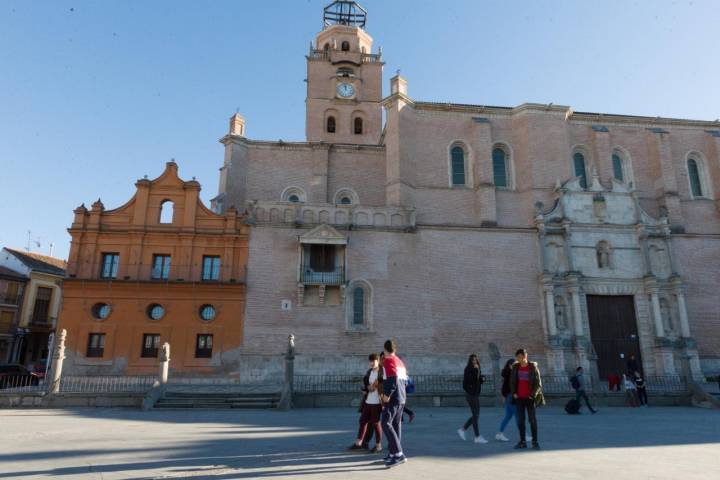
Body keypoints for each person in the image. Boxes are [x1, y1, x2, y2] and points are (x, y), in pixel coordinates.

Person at [381, 339, 409, 468]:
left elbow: (392, 380)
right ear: (395, 349)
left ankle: (398, 454)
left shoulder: (388, 360)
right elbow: (406, 381)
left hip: (393, 398)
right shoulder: (400, 361)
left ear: (385, 350)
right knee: (396, 424)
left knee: (385, 423)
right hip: (402, 397)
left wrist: (387, 395)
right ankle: (393, 453)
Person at [510, 348, 544, 450]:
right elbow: (511, 382)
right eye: (517, 358)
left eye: (520, 357)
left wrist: (532, 395)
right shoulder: (515, 367)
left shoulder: (533, 367)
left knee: (532, 420)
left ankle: (535, 442)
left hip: (530, 398)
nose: (518, 360)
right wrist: (514, 393)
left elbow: (538, 384)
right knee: (520, 421)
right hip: (519, 398)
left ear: (525, 357)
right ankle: (522, 442)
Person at [349, 353, 383, 453]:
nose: (372, 363)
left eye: (374, 361)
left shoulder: (382, 372)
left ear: (378, 361)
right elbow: (366, 382)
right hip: (368, 401)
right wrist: (367, 388)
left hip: (377, 402)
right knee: (362, 421)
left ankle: (378, 446)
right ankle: (358, 443)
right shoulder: (369, 372)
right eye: (370, 361)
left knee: (376, 423)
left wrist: (376, 386)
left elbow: (383, 383)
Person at [457, 354, 487, 444]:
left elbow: (477, 380)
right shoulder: (469, 369)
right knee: (476, 415)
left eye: (475, 360)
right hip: (471, 395)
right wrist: (477, 371)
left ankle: (468, 432)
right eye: (472, 360)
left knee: (475, 415)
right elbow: (468, 382)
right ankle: (469, 432)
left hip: (475, 394)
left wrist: (482, 379)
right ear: (470, 361)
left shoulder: (476, 368)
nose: (474, 361)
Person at [495, 358, 520, 442]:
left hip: (507, 396)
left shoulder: (507, 373)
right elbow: (509, 387)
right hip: (511, 396)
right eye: (515, 365)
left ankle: (499, 434)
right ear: (510, 365)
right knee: (518, 415)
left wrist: (503, 396)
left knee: (508, 416)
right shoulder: (510, 374)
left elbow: (503, 386)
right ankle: (523, 434)